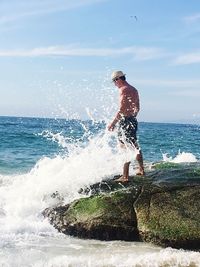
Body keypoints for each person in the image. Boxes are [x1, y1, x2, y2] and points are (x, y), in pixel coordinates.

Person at [108, 71, 145, 182]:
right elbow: (137, 107)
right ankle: (141, 169)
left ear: (118, 79)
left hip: (125, 121)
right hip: (133, 120)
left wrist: (113, 123)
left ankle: (125, 176)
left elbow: (122, 108)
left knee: (125, 147)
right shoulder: (134, 89)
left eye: (114, 81)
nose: (114, 84)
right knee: (134, 145)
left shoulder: (123, 90)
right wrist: (132, 117)